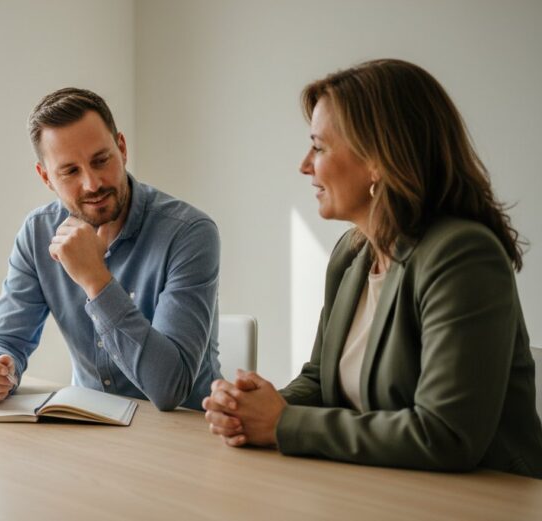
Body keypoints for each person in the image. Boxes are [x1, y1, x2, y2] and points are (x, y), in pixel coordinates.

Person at [203, 59, 542, 477]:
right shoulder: (351, 254)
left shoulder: (463, 255)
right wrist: (252, 409)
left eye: (319, 147)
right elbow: (321, 380)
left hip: (485, 498)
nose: (305, 165)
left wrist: (282, 423)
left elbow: (446, 435)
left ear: (378, 159)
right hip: (381, 488)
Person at [0, 87, 220, 411]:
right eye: (70, 171)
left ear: (122, 149)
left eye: (101, 160)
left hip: (182, 429)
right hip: (89, 424)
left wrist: (96, 280)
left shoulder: (189, 233)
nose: (92, 183)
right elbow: (6, 340)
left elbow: (171, 388)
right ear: (46, 177)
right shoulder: (38, 233)